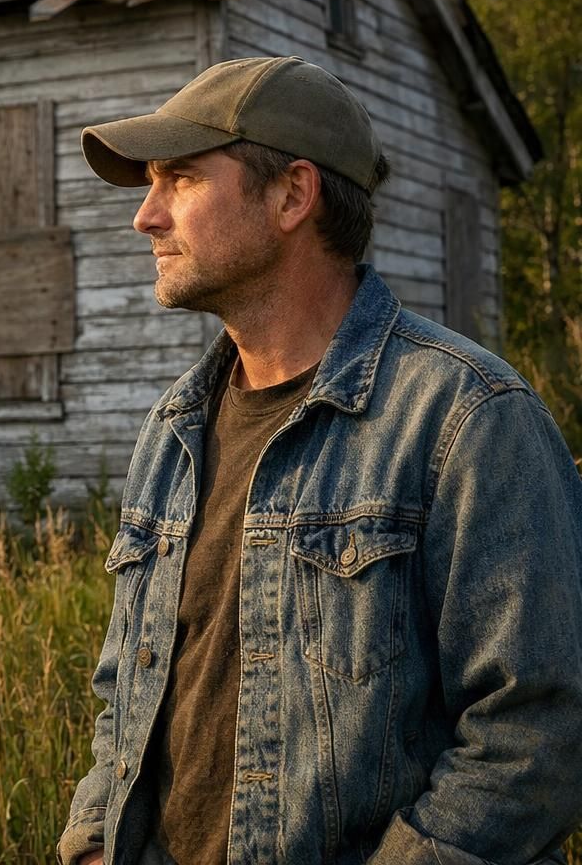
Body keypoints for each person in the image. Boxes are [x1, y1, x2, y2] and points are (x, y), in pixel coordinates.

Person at [54, 56, 582, 865]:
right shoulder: (173, 431)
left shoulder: (466, 419)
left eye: (182, 179)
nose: (146, 216)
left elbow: (536, 731)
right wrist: (94, 843)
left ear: (293, 195)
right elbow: (124, 690)